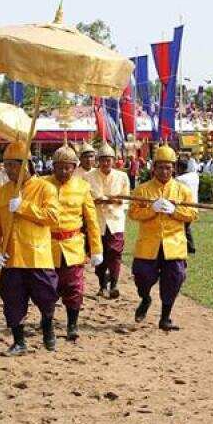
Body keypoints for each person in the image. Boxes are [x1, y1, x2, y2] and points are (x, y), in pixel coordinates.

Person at [0, 140, 61, 355]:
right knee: (12, 300)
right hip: (10, 257)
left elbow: (53, 217)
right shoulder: (2, 191)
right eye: (6, 165)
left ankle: (48, 326)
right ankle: (19, 341)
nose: (9, 170)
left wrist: (24, 207)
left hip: (37, 256)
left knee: (47, 297)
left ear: (27, 164)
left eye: (13, 165)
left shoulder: (45, 187)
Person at [129, 146, 198, 331]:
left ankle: (165, 318)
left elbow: (193, 214)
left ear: (173, 168)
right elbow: (133, 214)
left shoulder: (182, 190)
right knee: (142, 276)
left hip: (174, 244)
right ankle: (145, 298)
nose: (164, 171)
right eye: (160, 167)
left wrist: (175, 211)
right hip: (148, 244)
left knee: (174, 278)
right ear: (154, 168)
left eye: (168, 167)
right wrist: (151, 210)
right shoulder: (142, 190)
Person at [44, 146, 102, 342]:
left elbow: (92, 220)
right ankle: (48, 323)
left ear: (74, 167)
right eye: (59, 167)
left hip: (73, 245)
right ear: (53, 167)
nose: (63, 172)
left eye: (68, 168)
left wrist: (96, 249)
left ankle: (72, 325)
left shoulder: (82, 187)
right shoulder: (42, 185)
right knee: (47, 289)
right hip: (46, 246)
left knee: (74, 287)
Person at [86, 143, 131, 299]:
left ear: (114, 160)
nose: (106, 163)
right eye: (103, 160)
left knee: (115, 253)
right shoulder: (89, 177)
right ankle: (102, 284)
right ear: (98, 161)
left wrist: (117, 201)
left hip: (115, 220)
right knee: (98, 253)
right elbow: (85, 199)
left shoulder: (122, 176)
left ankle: (114, 284)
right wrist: (95, 201)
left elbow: (126, 199)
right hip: (97, 221)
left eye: (109, 160)